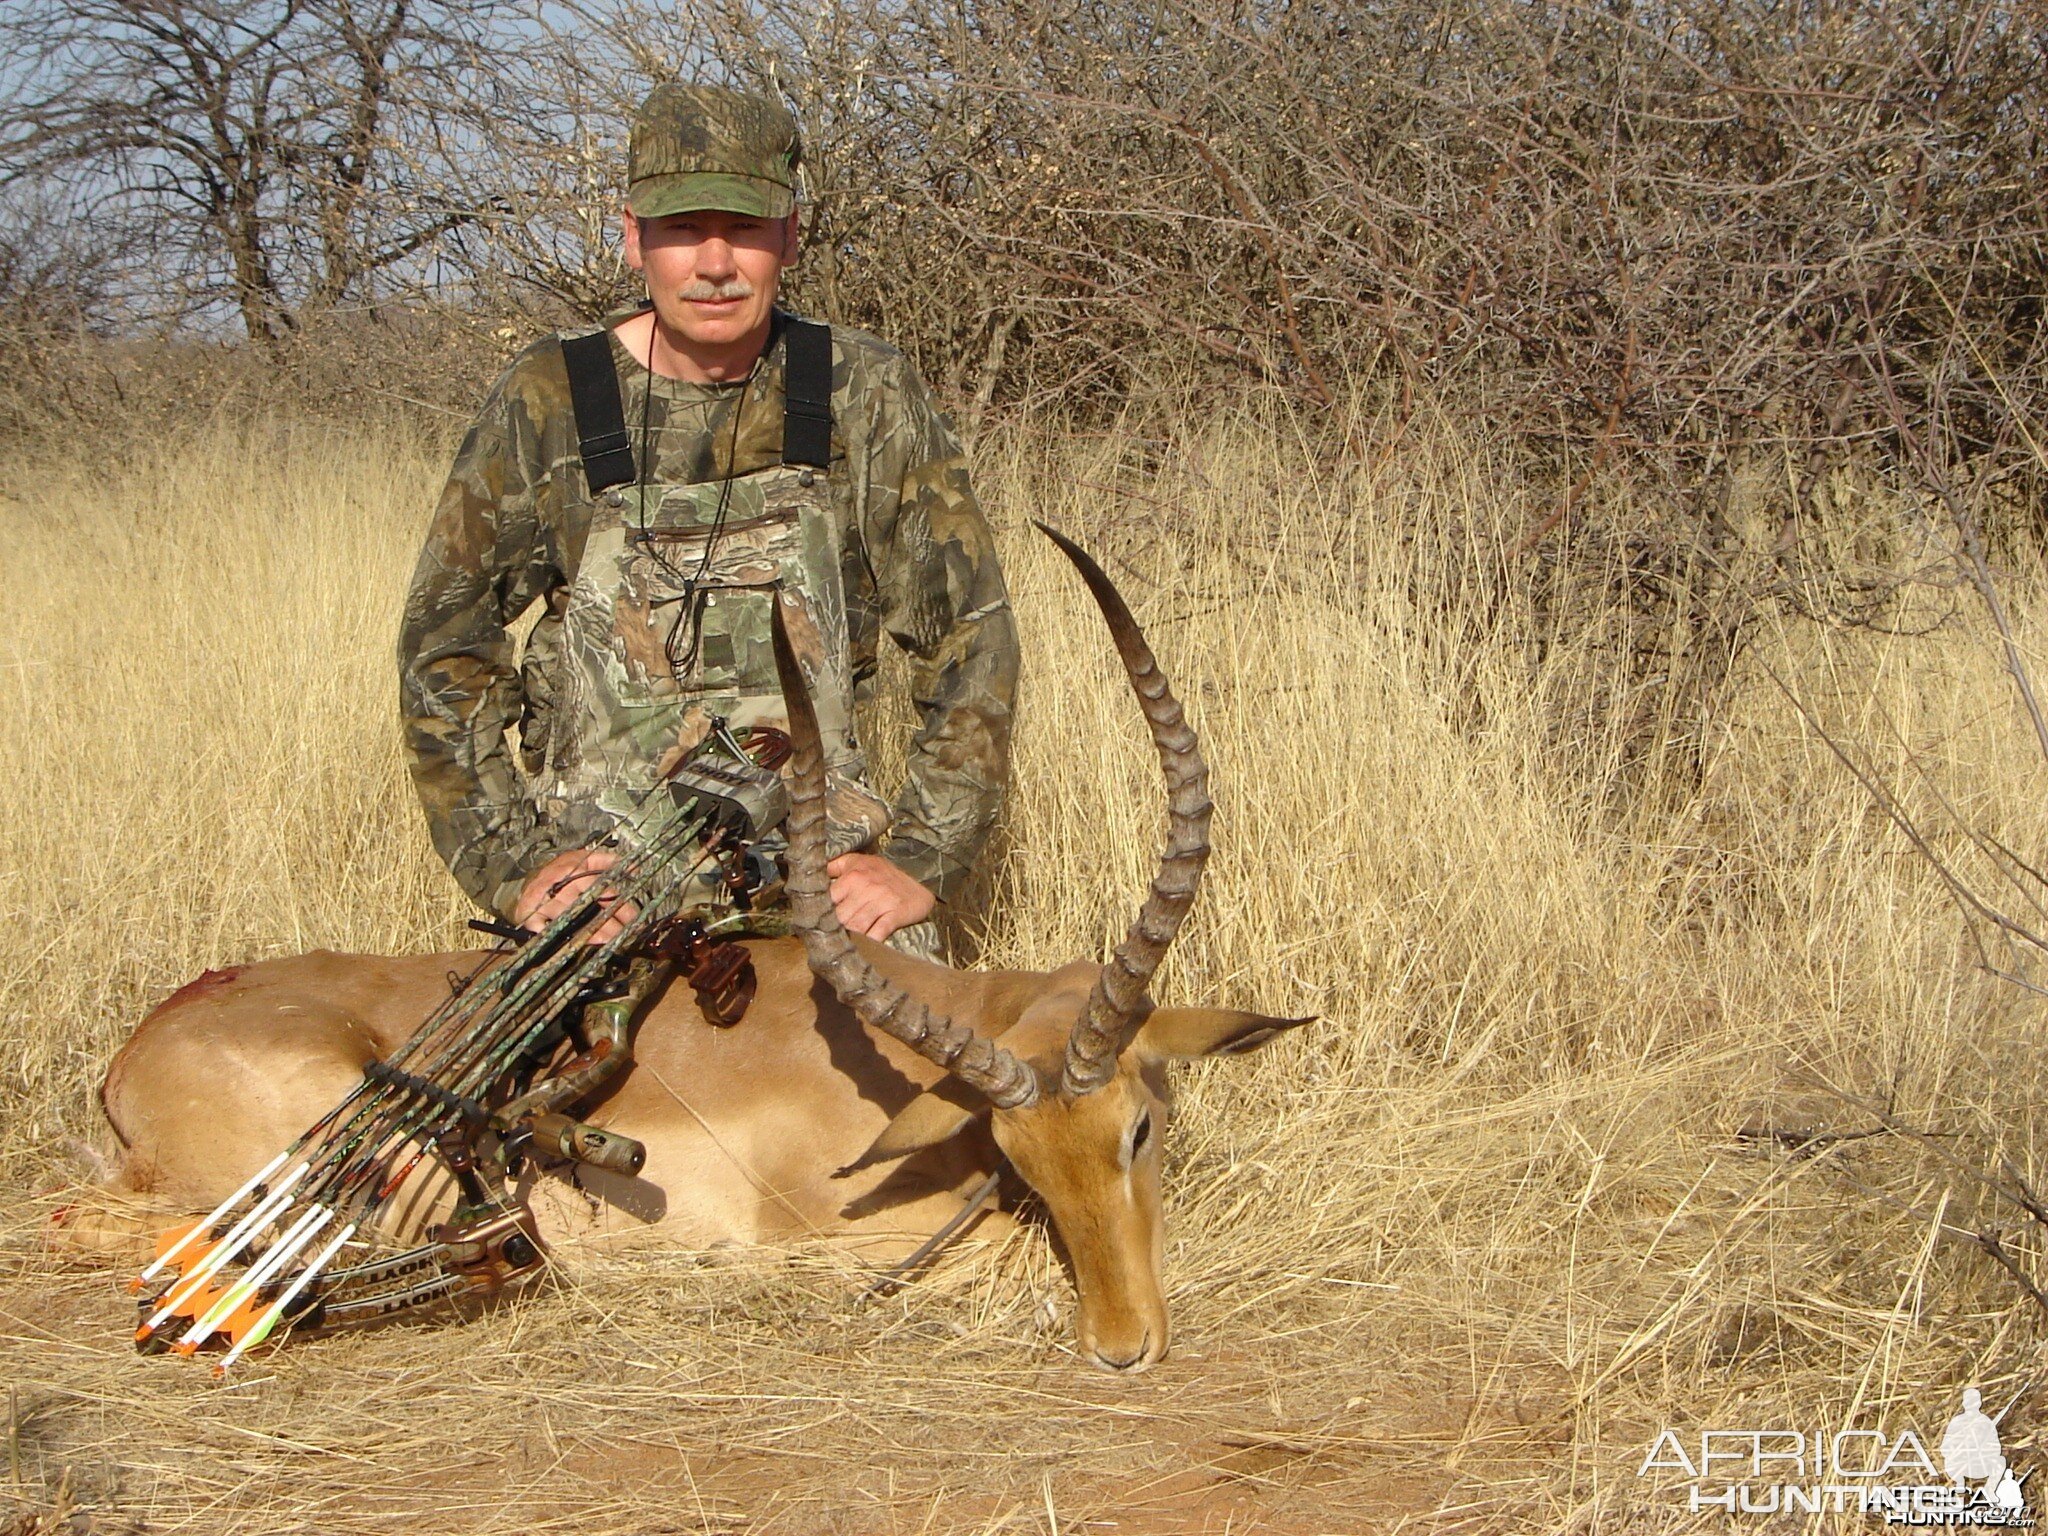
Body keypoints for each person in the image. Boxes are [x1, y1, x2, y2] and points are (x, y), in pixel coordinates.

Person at [397, 82, 1018, 953]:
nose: (715, 263)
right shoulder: (549, 398)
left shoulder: (862, 389)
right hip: (602, 893)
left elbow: (971, 635)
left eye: (748, 230)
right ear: (632, 237)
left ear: (790, 237)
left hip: (817, 880)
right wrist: (516, 868)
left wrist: (921, 859)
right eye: (684, 230)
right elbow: (444, 650)